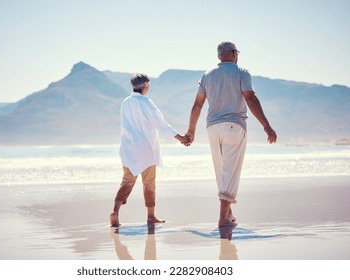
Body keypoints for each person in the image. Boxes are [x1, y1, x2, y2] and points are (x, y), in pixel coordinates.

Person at [185, 41, 277, 227]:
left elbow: (198, 104)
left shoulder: (207, 75)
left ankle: (229, 213)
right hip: (234, 126)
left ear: (219, 56)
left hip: (212, 128)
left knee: (221, 171)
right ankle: (223, 218)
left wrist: (191, 131)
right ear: (235, 53)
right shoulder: (242, 72)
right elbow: (250, 97)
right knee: (231, 172)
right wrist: (266, 125)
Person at [110, 73, 189, 227]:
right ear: (146, 85)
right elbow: (161, 124)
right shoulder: (146, 102)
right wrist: (181, 138)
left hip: (127, 148)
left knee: (127, 181)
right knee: (149, 183)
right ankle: (151, 217)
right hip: (145, 148)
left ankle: (115, 212)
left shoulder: (125, 102)